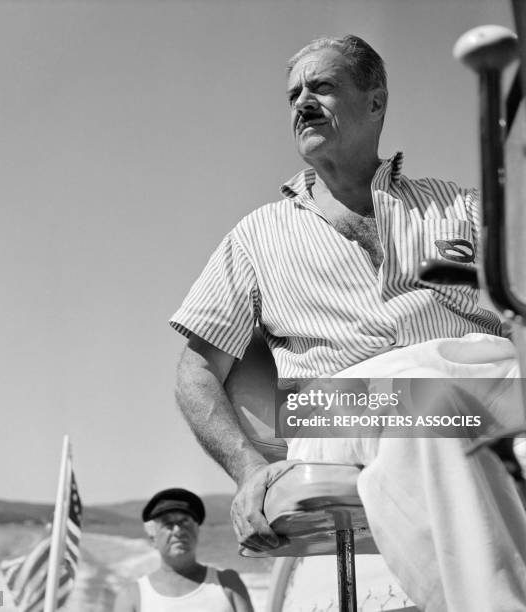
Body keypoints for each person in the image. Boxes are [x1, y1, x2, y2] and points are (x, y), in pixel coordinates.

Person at [170, 34, 526, 611]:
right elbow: (195, 371)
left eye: (323, 86)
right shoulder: (255, 237)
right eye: (294, 95)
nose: (303, 103)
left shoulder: (458, 207)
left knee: (459, 390)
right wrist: (246, 468)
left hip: (480, 375)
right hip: (334, 405)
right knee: (429, 402)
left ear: (376, 102)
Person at [113, 488, 254, 612]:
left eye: (185, 521)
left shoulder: (228, 583)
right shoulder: (132, 596)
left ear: (197, 531)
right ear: (152, 538)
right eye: (168, 524)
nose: (178, 530)